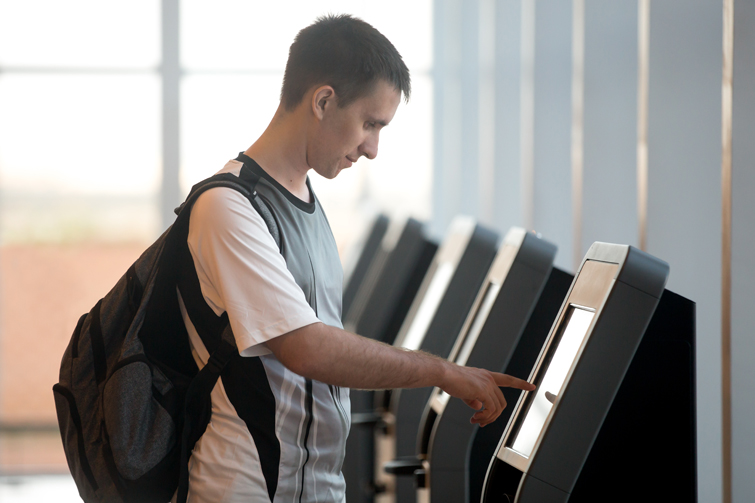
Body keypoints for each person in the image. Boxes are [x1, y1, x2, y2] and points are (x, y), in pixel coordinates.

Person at [175, 14, 535, 503]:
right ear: (323, 101)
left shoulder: (305, 201)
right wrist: (443, 372)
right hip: (248, 487)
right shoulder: (229, 207)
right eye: (369, 124)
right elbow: (309, 349)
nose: (372, 149)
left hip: (315, 484)